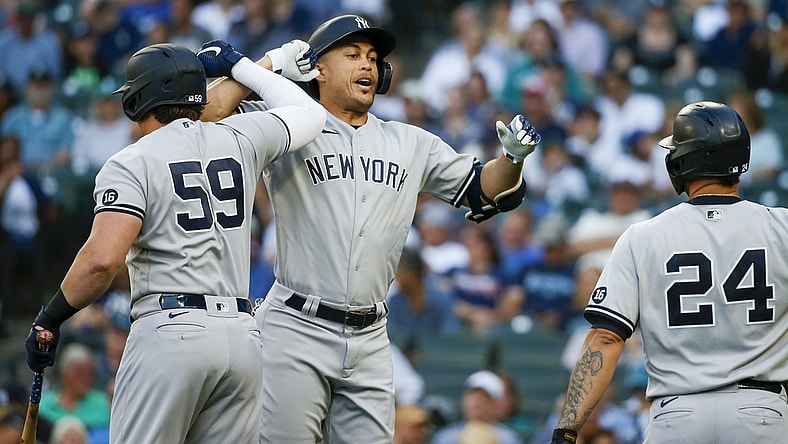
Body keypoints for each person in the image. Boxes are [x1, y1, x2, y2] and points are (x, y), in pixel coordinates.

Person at [201, 13, 541, 443]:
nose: (367, 65)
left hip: (371, 336)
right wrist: (267, 65)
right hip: (295, 327)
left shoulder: (411, 141)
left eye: (373, 57)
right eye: (352, 54)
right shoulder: (286, 122)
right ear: (316, 68)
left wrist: (511, 158)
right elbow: (208, 115)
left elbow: (483, 191)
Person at [23, 41, 326, 443]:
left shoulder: (132, 161)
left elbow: (101, 261)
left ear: (137, 100)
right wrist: (248, 66)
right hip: (241, 338)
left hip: (171, 331)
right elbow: (311, 114)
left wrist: (52, 316)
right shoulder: (240, 136)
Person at [550, 101, 788, 444]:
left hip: (678, 415)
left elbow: (606, 338)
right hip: (762, 411)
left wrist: (567, 428)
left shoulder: (642, 236)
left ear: (684, 161)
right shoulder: (781, 227)